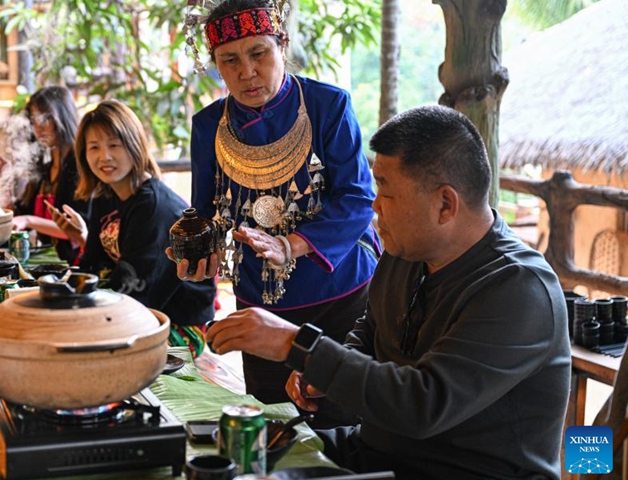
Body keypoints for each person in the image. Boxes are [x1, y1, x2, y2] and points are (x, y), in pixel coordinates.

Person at [206, 105, 572, 479]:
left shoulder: (518, 289)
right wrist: (321, 373)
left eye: (386, 190)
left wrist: (296, 345)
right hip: (380, 451)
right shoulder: (406, 253)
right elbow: (371, 329)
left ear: (445, 204)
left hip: (461, 470)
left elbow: (422, 404)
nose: (374, 204)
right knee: (232, 457)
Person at [171, 0, 379, 427]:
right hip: (260, 305)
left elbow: (358, 198)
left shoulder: (328, 106)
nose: (246, 71)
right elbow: (208, 214)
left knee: (341, 425)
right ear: (216, 64)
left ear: (282, 45)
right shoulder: (209, 125)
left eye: (259, 53)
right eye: (230, 60)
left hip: (341, 298)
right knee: (272, 427)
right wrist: (197, 258)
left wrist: (291, 244)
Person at [53, 100, 217, 357]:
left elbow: (141, 293)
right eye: (93, 147)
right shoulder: (105, 195)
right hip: (131, 307)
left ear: (134, 145)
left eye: (114, 145)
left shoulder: (153, 207)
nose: (104, 157)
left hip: (176, 326)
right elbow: (92, 263)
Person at [7, 86, 91, 265]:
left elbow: (77, 229)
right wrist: (5, 181)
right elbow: (22, 214)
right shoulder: (45, 168)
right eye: (34, 121)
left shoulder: (81, 167)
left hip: (76, 265)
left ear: (62, 116)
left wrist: (29, 220)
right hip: (49, 265)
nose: (38, 128)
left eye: (44, 119)